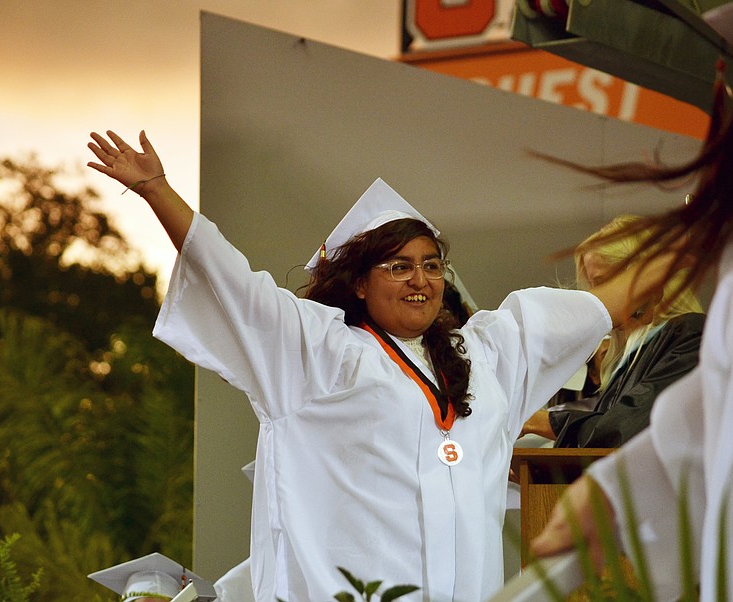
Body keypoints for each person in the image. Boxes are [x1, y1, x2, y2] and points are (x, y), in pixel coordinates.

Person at [86, 130, 679, 602]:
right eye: (398, 266)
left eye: (431, 264)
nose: (421, 280)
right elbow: (233, 284)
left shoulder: (489, 354)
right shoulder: (315, 353)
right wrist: (159, 191)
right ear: (360, 283)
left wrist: (701, 224)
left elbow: (606, 303)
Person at [529, 6, 733, 600]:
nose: (602, 299)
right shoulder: (641, 345)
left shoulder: (685, 332)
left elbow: (632, 422)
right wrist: (616, 488)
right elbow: (704, 405)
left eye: (608, 278)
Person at [521, 215, 705, 448]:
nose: (598, 299)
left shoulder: (690, 337)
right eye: (594, 287)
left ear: (643, 276)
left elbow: (622, 431)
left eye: (605, 283)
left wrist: (540, 421)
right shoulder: (630, 358)